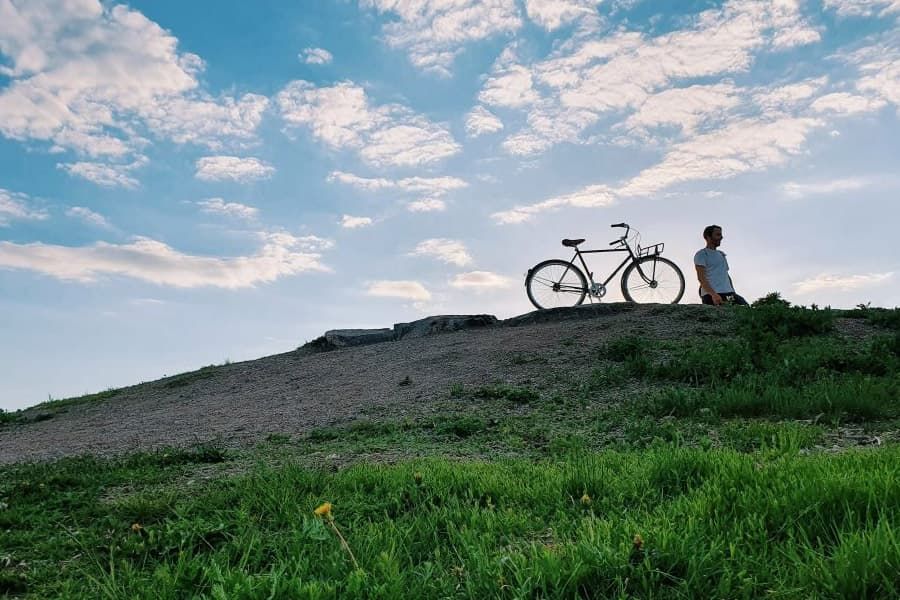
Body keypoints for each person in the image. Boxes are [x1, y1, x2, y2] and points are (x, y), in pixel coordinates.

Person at [694, 225, 748, 306]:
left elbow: (726, 275)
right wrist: (713, 294)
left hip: (729, 294)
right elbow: (701, 278)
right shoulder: (702, 254)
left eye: (721, 235)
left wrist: (733, 292)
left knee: (744, 306)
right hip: (712, 295)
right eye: (718, 235)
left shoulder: (721, 254)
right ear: (708, 237)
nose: (721, 237)